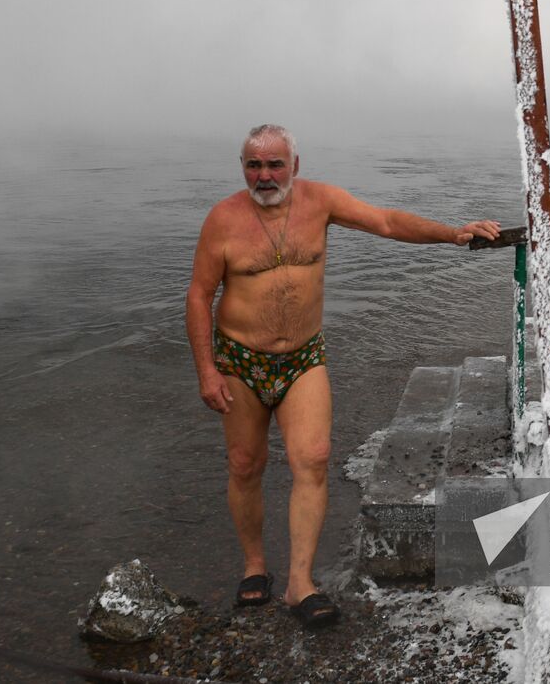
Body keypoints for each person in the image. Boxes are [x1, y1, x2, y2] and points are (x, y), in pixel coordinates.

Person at [185, 124, 500, 628]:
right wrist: (206, 370)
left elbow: (387, 222)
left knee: (313, 457)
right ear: (242, 166)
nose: (264, 176)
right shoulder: (222, 220)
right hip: (240, 361)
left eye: (274, 164)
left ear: (294, 165)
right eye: (254, 165)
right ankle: (254, 566)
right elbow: (200, 295)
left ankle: (300, 584)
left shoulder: (321, 202)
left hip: (303, 357)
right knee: (245, 464)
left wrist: (451, 232)